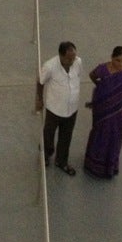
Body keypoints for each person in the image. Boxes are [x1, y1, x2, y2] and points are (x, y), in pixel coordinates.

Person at [83, 46, 122, 178]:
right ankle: (93, 164)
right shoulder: (103, 69)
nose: (120, 64)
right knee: (100, 133)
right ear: (111, 58)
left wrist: (119, 98)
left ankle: (110, 166)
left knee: (115, 136)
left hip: (119, 113)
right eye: (117, 60)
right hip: (102, 110)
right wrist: (101, 87)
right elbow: (92, 75)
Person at [36, 41, 82, 176]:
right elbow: (40, 81)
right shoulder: (50, 66)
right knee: (48, 134)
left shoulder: (78, 62)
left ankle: (61, 161)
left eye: (73, 57)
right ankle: (45, 155)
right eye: (69, 58)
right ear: (61, 56)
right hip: (54, 109)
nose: (72, 61)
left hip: (72, 109)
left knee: (66, 136)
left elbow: (78, 77)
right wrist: (39, 100)